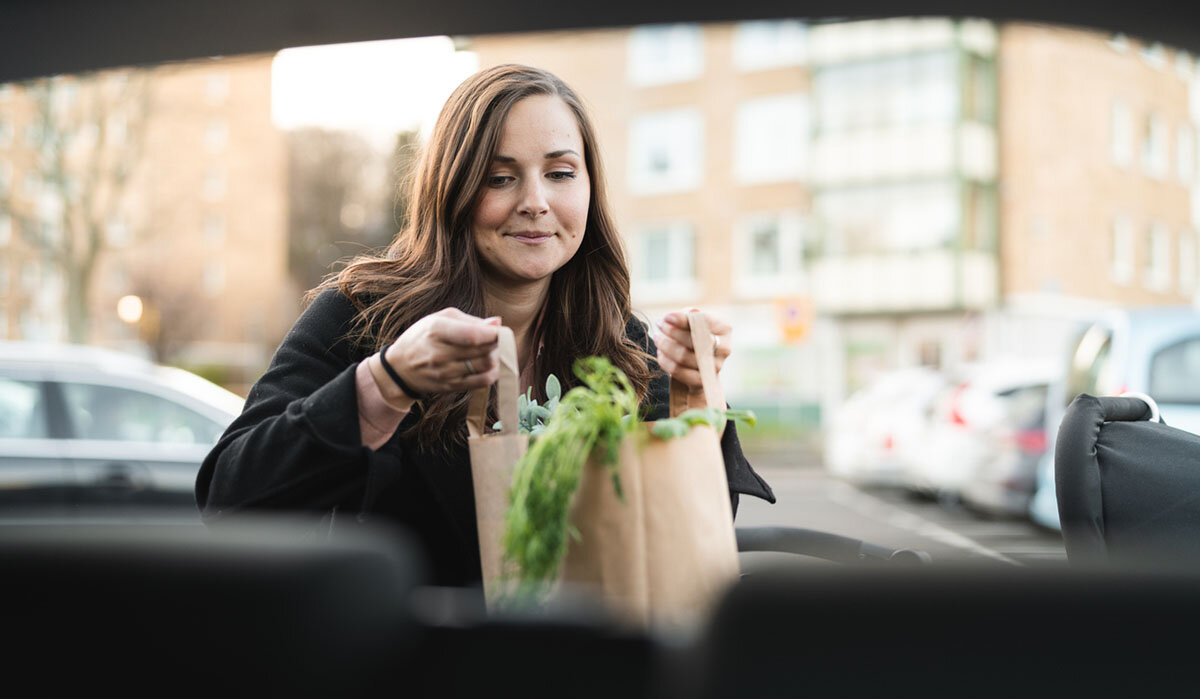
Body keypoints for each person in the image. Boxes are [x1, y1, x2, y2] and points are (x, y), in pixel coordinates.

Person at [195, 64, 775, 587]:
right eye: (501, 178)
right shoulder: (361, 317)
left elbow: (687, 532)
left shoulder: (619, 341)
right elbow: (230, 498)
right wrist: (386, 383)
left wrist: (694, 401)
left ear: (589, 188)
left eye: (561, 173)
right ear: (454, 189)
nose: (536, 201)